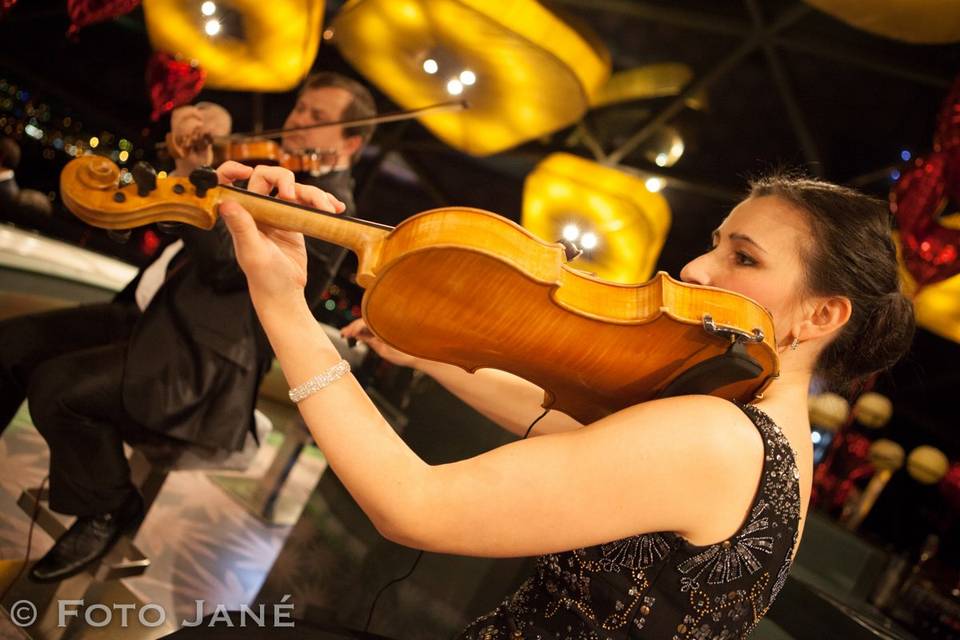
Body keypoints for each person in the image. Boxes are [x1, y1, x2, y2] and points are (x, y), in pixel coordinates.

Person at [218, 162, 915, 638]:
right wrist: (430, 349)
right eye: (714, 245)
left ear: (822, 317)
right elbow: (563, 426)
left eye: (745, 258)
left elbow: (413, 506)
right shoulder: (770, 445)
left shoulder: (718, 436)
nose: (698, 268)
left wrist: (284, 308)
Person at [0, 80, 371, 583]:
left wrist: (189, 177)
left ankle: (108, 505)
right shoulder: (263, 165)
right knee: (10, 345)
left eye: (317, 115)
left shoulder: (331, 208)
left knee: (58, 389)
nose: (299, 119)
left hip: (198, 361)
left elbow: (224, 263)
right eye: (300, 106)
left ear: (351, 143)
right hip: (144, 315)